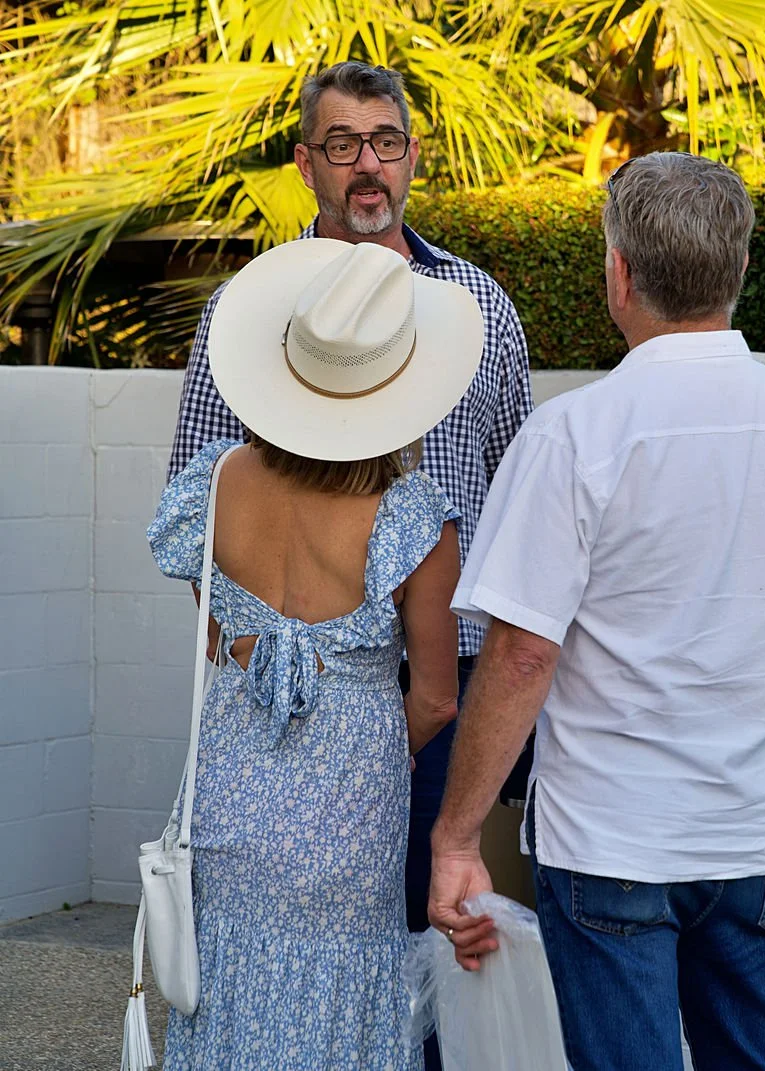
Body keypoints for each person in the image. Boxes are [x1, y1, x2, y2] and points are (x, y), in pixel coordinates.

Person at [427, 152, 765, 1071]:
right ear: (736, 272)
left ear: (620, 273)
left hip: (610, 837)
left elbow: (520, 657)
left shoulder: (573, 435)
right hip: (755, 831)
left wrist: (456, 835)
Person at [166, 60, 532, 1069]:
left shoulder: (480, 307)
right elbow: (199, 507)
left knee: (433, 959)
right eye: (341, 145)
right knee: (351, 963)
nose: (365, 167)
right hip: (285, 709)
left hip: (445, 687)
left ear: (412, 155)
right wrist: (268, 653)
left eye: (382, 142)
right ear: (306, 165)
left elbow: (512, 496)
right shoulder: (244, 318)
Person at [148, 236, 483, 1070]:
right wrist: (361, 740)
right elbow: (438, 698)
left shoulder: (216, 482)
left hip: (230, 789)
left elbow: (220, 636)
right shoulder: (416, 520)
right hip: (350, 809)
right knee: (343, 1004)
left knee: (223, 986)